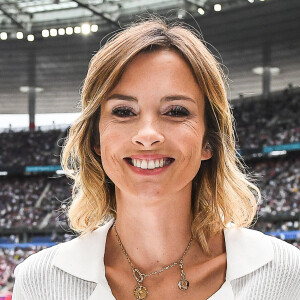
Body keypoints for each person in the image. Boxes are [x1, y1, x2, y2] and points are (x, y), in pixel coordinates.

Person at [12, 18, 300, 300]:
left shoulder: (284, 275)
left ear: (209, 141)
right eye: (124, 112)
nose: (147, 135)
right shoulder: (40, 282)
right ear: (96, 140)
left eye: (176, 111)